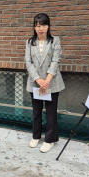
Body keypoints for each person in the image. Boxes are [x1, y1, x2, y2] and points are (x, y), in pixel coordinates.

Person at [25, 13, 65, 153]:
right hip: (35, 82)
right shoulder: (30, 42)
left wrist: (46, 81)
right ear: (34, 27)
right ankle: (36, 136)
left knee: (51, 112)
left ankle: (49, 140)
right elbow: (28, 62)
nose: (40, 28)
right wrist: (38, 80)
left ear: (48, 26)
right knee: (36, 111)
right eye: (37, 25)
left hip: (51, 83)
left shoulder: (55, 41)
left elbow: (55, 61)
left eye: (43, 25)